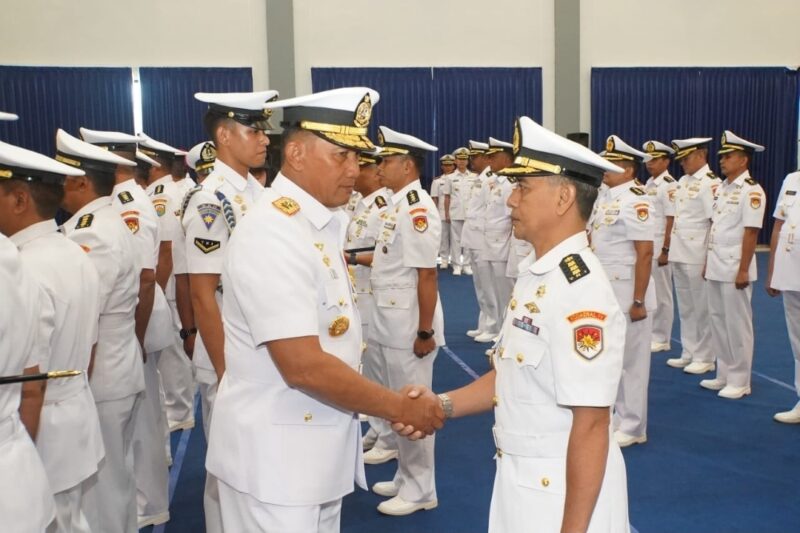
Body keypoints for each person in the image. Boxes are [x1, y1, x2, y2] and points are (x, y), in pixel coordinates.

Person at [205, 86, 444, 532]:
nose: (355, 170)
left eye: (358, 157)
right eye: (341, 156)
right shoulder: (272, 232)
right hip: (273, 462)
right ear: (294, 153)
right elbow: (303, 367)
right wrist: (397, 405)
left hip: (311, 454)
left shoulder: (317, 224)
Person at [397, 116, 630, 532]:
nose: (510, 201)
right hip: (522, 480)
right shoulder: (537, 274)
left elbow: (592, 423)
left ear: (563, 198)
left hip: (561, 493)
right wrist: (442, 404)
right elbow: (513, 373)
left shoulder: (580, 289)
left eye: (523, 188)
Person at [183, 89, 278, 532]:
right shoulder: (211, 199)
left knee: (258, 468)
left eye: (263, 130)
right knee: (226, 472)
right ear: (224, 135)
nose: (263, 139)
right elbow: (202, 293)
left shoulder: (257, 191)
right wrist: (226, 372)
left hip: (261, 351)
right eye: (253, 129)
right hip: (230, 358)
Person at [79, 127, 173, 527]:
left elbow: (145, 276)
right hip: (134, 319)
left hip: (135, 319)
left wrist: (135, 337)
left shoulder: (127, 205)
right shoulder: (125, 200)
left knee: (138, 425)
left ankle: (150, 504)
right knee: (141, 421)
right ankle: (149, 502)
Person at [56, 128, 144, 533]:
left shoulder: (92, 229)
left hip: (102, 373)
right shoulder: (104, 220)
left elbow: (84, 314)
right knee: (115, 480)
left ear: (80, 182)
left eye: (64, 178)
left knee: (103, 487)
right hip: (116, 366)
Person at [0, 140, 88, 532]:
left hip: (41, 431)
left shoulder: (24, 265)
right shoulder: (69, 249)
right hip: (74, 413)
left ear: (20, 200)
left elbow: (31, 380)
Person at [367, 124, 444, 516]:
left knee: (413, 406)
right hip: (388, 319)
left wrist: (425, 330)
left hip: (409, 326)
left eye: (387, 161)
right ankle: (404, 476)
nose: (380, 168)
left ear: (408, 165)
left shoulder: (417, 208)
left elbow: (426, 274)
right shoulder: (396, 203)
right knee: (396, 402)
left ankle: (420, 489)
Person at [591, 135, 655, 447]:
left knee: (632, 363)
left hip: (630, 292)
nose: (605, 168)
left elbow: (644, 253)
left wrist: (639, 299)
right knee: (613, 358)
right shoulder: (606, 198)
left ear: (628, 170)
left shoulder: (636, 199)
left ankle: (633, 426)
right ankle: (618, 416)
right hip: (608, 291)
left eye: (612, 163)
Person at [700, 131, 766, 399]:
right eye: (722, 157)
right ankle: (724, 372)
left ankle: (740, 380)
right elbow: (715, 227)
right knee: (717, 319)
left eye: (728, 157)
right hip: (717, 262)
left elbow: (751, 233)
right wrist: (707, 261)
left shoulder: (751, 191)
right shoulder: (723, 188)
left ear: (743, 160)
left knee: (737, 324)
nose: (723, 161)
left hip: (735, 265)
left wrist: (743, 269)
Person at [139, 133, 197, 431]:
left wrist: (157, 292)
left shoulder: (160, 193)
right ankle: (182, 404)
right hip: (182, 280)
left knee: (173, 350)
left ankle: (179, 409)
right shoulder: (185, 186)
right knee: (177, 346)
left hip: (170, 283)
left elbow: (166, 249)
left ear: (154, 165)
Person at [346, 150, 398, 464]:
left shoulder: (383, 209)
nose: (354, 173)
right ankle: (378, 429)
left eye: (361, 167)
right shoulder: (362, 205)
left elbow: (384, 256)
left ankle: (388, 436)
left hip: (372, 293)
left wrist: (348, 257)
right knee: (372, 368)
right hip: (359, 291)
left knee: (379, 369)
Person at [665, 137, 717, 374]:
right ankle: (689, 351)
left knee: (701, 307)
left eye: (685, 158)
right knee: (686, 306)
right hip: (680, 250)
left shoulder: (710, 183)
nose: (682, 163)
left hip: (697, 253)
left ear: (700, 156)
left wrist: (709, 258)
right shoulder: (683, 181)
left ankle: (705, 356)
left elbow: (713, 222)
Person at [767, 168, 800, 422]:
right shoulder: (792, 179)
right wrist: (773, 271)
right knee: (798, 342)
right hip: (791, 271)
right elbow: (779, 225)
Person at [642, 140, 678, 353]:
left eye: (655, 159)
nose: (649, 163)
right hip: (648, 246)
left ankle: (662, 336)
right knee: (650, 291)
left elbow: (672, 219)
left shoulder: (669, 185)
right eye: (647, 159)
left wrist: (666, 249)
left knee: (663, 294)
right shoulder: (648, 184)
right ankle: (653, 332)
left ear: (666, 161)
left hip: (660, 247)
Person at [442, 141, 474, 275]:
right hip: (455, 213)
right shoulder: (449, 178)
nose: (462, 162)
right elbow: (447, 197)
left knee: (468, 240)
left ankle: (467, 264)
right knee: (455, 240)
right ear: (455, 161)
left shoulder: (474, 177)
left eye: (464, 159)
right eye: (459, 159)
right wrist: (447, 214)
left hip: (470, 213)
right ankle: (456, 265)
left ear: (468, 161)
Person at [431, 153, 454, 268]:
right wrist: (434, 214)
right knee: (443, 237)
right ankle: (444, 259)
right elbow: (434, 198)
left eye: (450, 165)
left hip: (456, 212)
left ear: (453, 166)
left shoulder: (457, 179)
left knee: (456, 238)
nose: (448, 167)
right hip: (441, 212)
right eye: (446, 165)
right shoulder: (437, 181)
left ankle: (456, 261)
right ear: (442, 167)